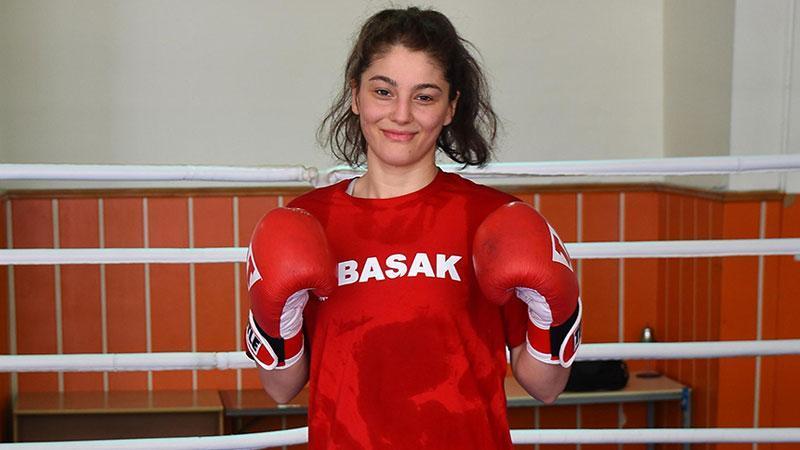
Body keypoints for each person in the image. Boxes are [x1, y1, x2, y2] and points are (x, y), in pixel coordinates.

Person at [244, 7, 582, 449]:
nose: (401, 115)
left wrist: (553, 314)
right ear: (355, 95)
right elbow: (280, 387)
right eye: (383, 92)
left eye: (424, 97)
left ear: (450, 107)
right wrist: (279, 321)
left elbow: (547, 386)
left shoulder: (494, 219)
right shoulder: (308, 222)